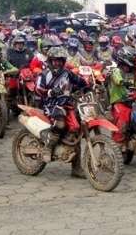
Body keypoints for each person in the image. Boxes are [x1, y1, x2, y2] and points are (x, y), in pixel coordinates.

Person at [34, 47, 87, 176]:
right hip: (50, 105)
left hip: (67, 104)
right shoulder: (44, 74)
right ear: (50, 61)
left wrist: (89, 86)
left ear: (63, 61)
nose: (57, 63)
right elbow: (37, 89)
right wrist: (50, 92)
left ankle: (76, 168)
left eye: (60, 61)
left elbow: (80, 82)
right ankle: (48, 147)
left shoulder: (67, 73)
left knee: (78, 131)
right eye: (54, 61)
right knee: (60, 123)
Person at [108, 46, 136, 152]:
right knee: (123, 121)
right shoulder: (116, 71)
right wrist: (124, 82)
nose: (134, 61)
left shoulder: (133, 73)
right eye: (133, 58)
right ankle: (116, 149)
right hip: (119, 102)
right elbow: (118, 80)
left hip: (133, 102)